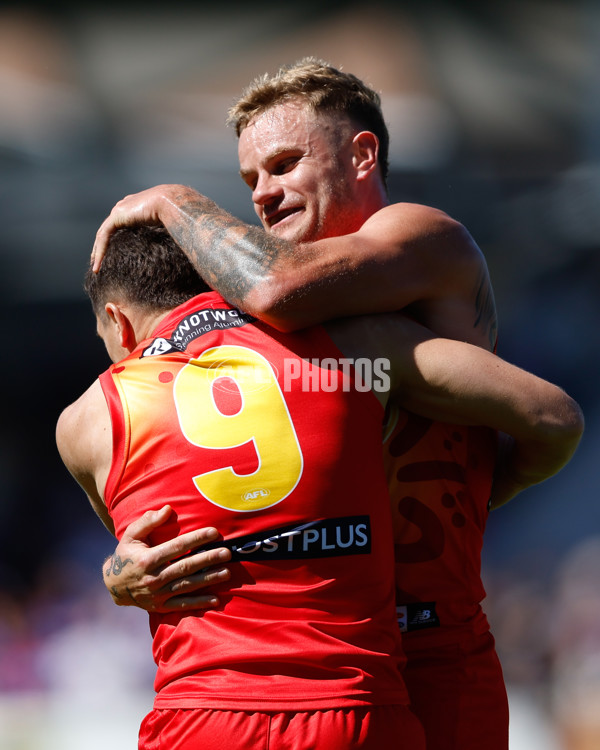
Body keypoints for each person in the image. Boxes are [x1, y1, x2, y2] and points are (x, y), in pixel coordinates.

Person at [88, 59, 565, 748]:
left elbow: (553, 422)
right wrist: (121, 569)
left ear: (362, 154)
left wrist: (169, 200)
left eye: (284, 165)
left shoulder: (420, 236)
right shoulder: (274, 316)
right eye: (252, 178)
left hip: (435, 651)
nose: (263, 194)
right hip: (325, 661)